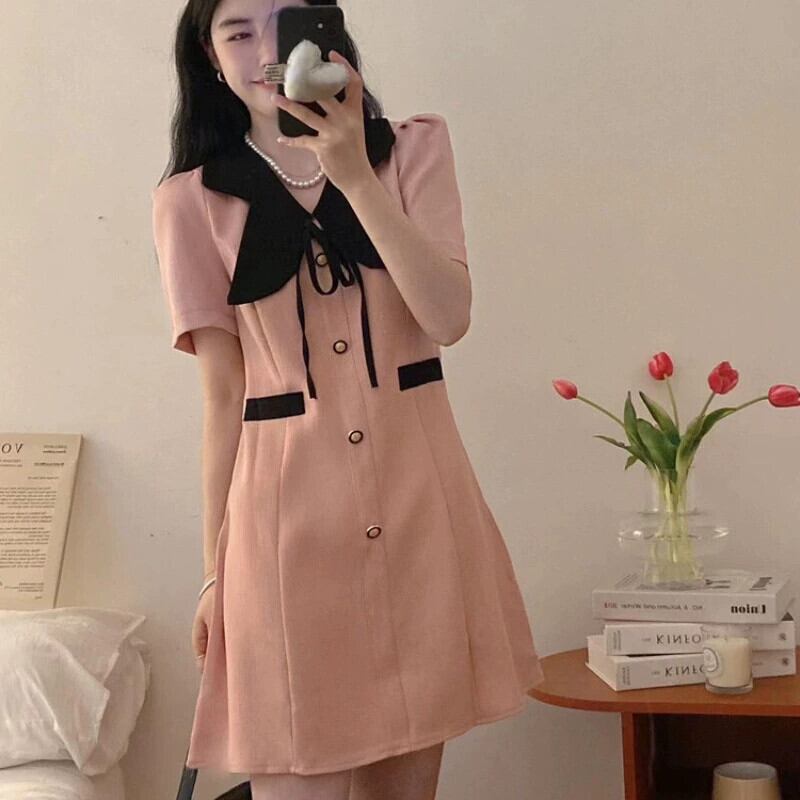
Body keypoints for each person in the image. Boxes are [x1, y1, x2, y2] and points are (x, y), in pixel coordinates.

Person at [151, 1, 544, 797]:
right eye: (237, 32)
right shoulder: (190, 203)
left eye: (283, 20)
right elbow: (223, 398)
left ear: (324, 29)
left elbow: (448, 317)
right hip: (281, 538)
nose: (265, 49)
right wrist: (213, 575)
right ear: (209, 55)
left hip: (419, 518)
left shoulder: (413, 151)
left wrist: (355, 174)